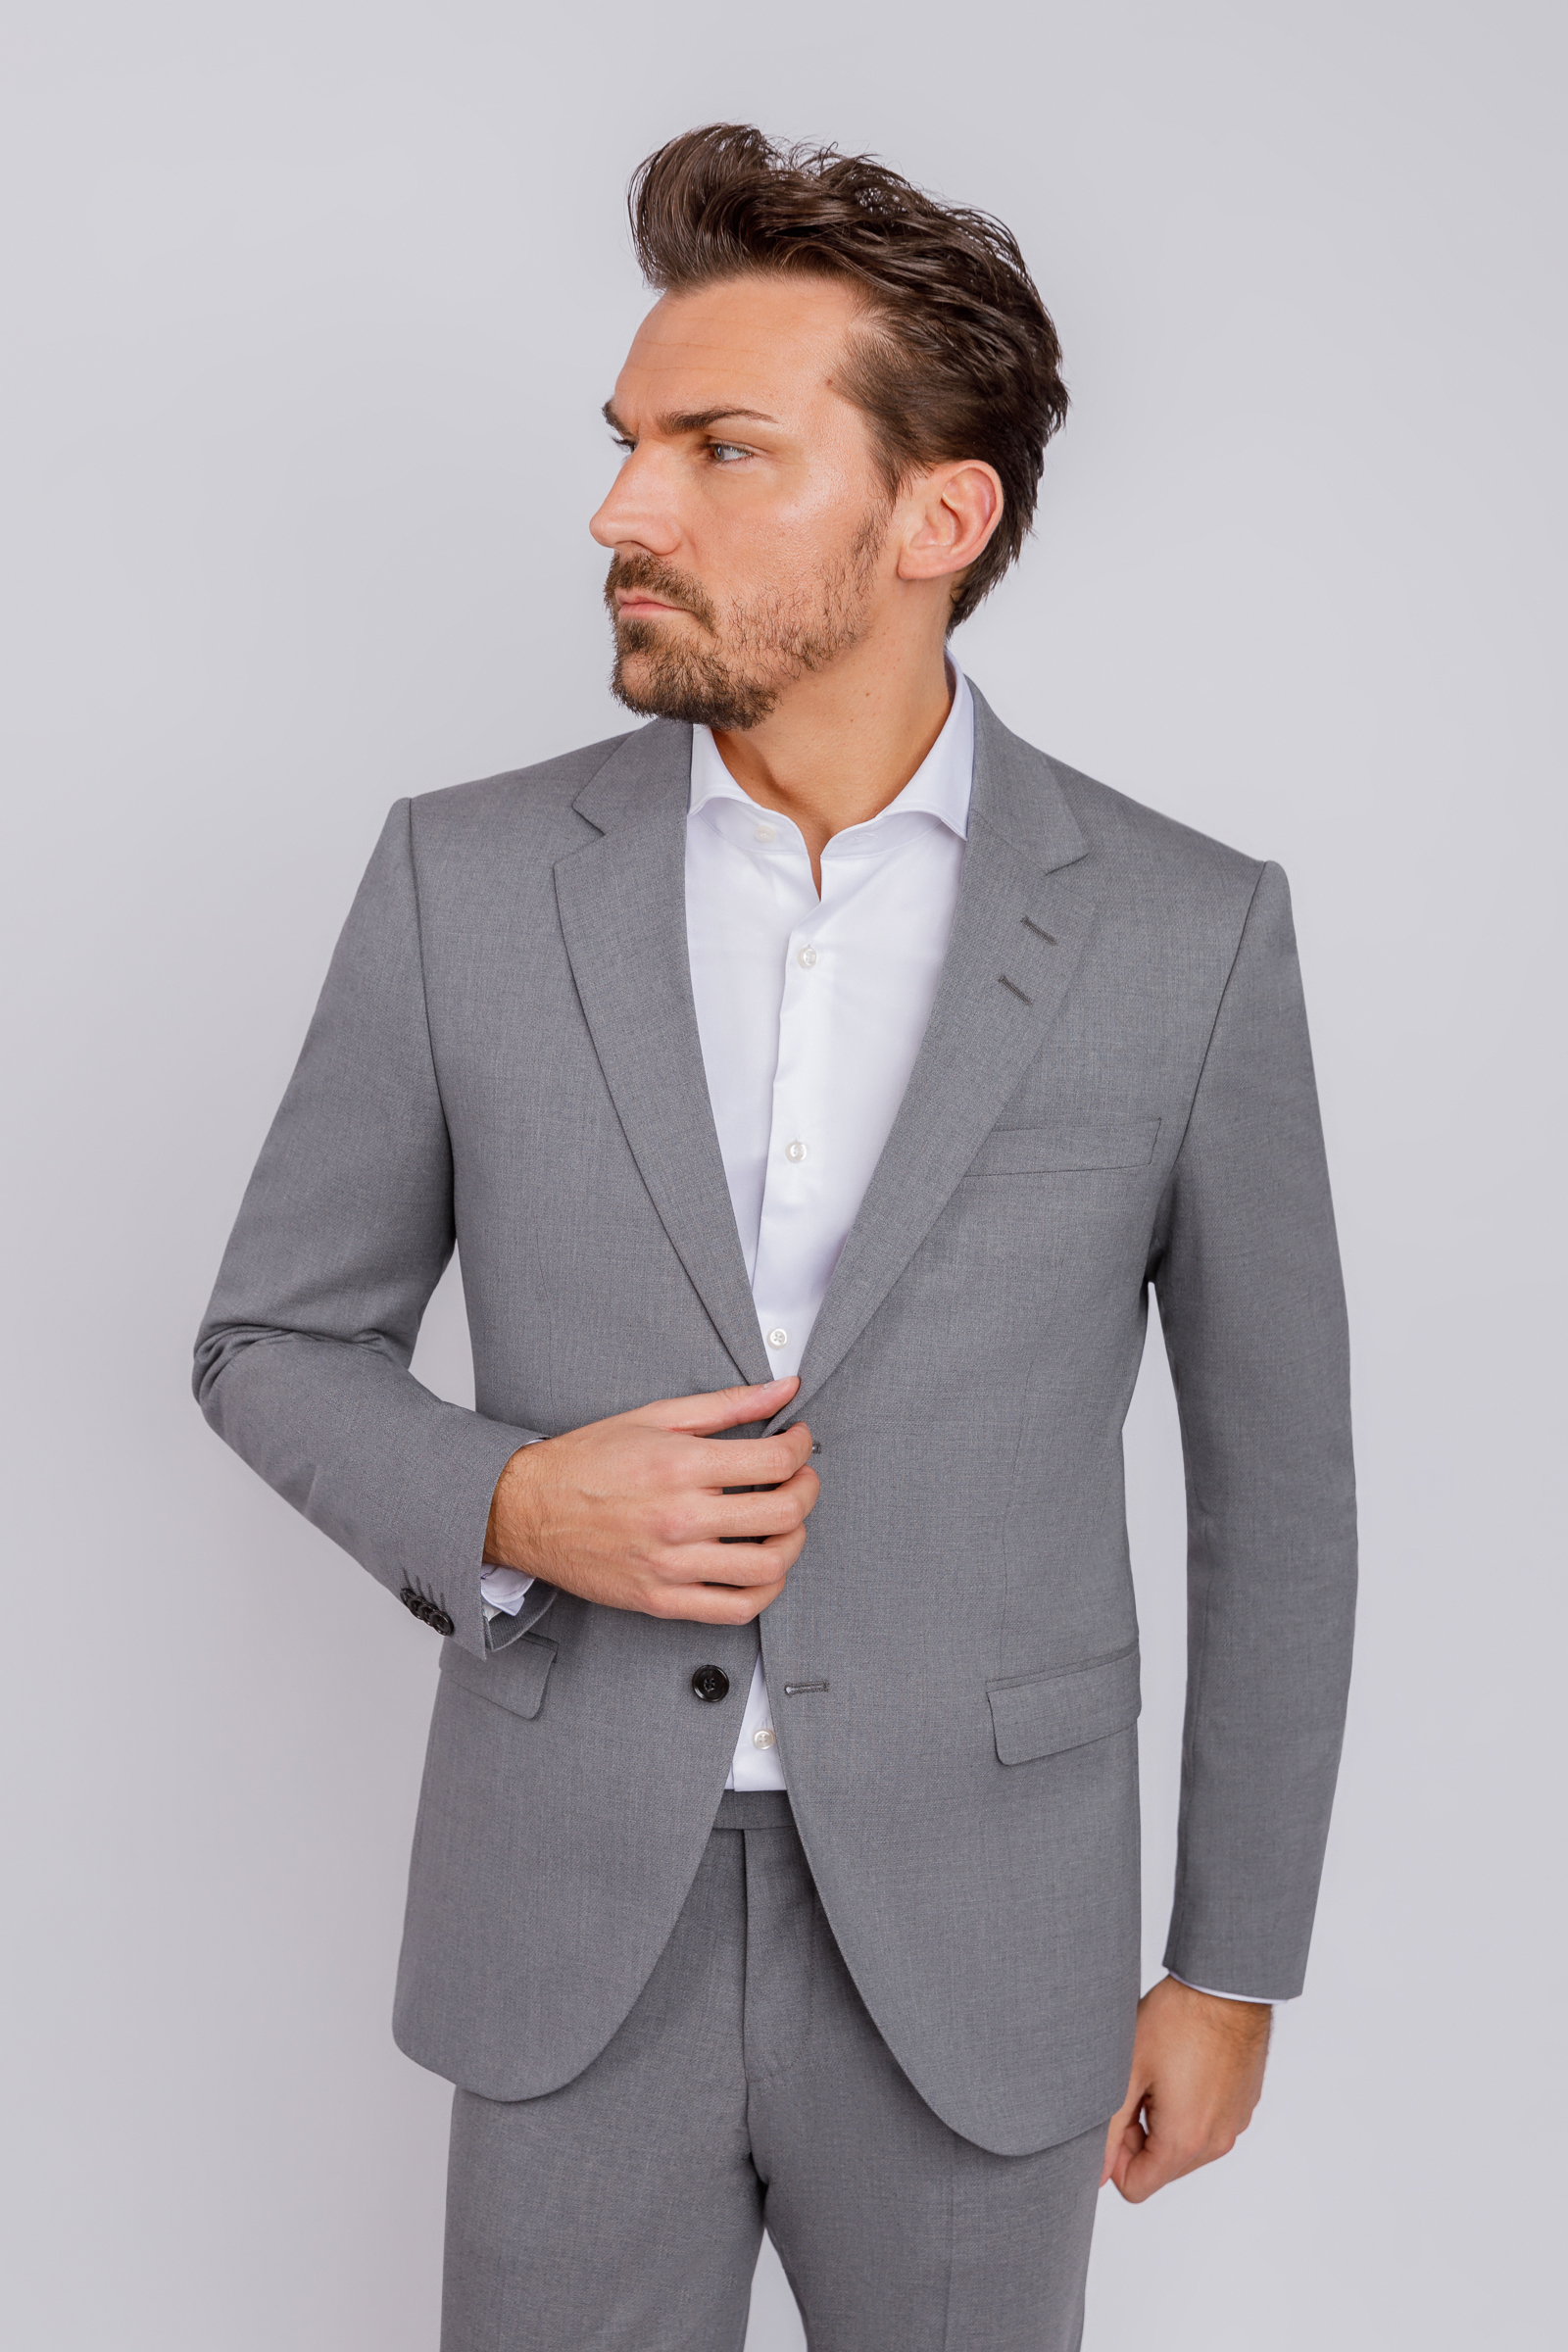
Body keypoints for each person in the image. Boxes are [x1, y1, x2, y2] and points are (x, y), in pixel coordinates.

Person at [195, 123, 1356, 2351]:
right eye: (628, 443)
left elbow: (1278, 1498)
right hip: (569, 1919)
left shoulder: (1184, 934)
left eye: (720, 449)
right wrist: (514, 1501)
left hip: (985, 1936)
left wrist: (1230, 1964)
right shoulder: (462, 881)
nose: (622, 512)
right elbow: (269, 1340)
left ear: (937, 518)